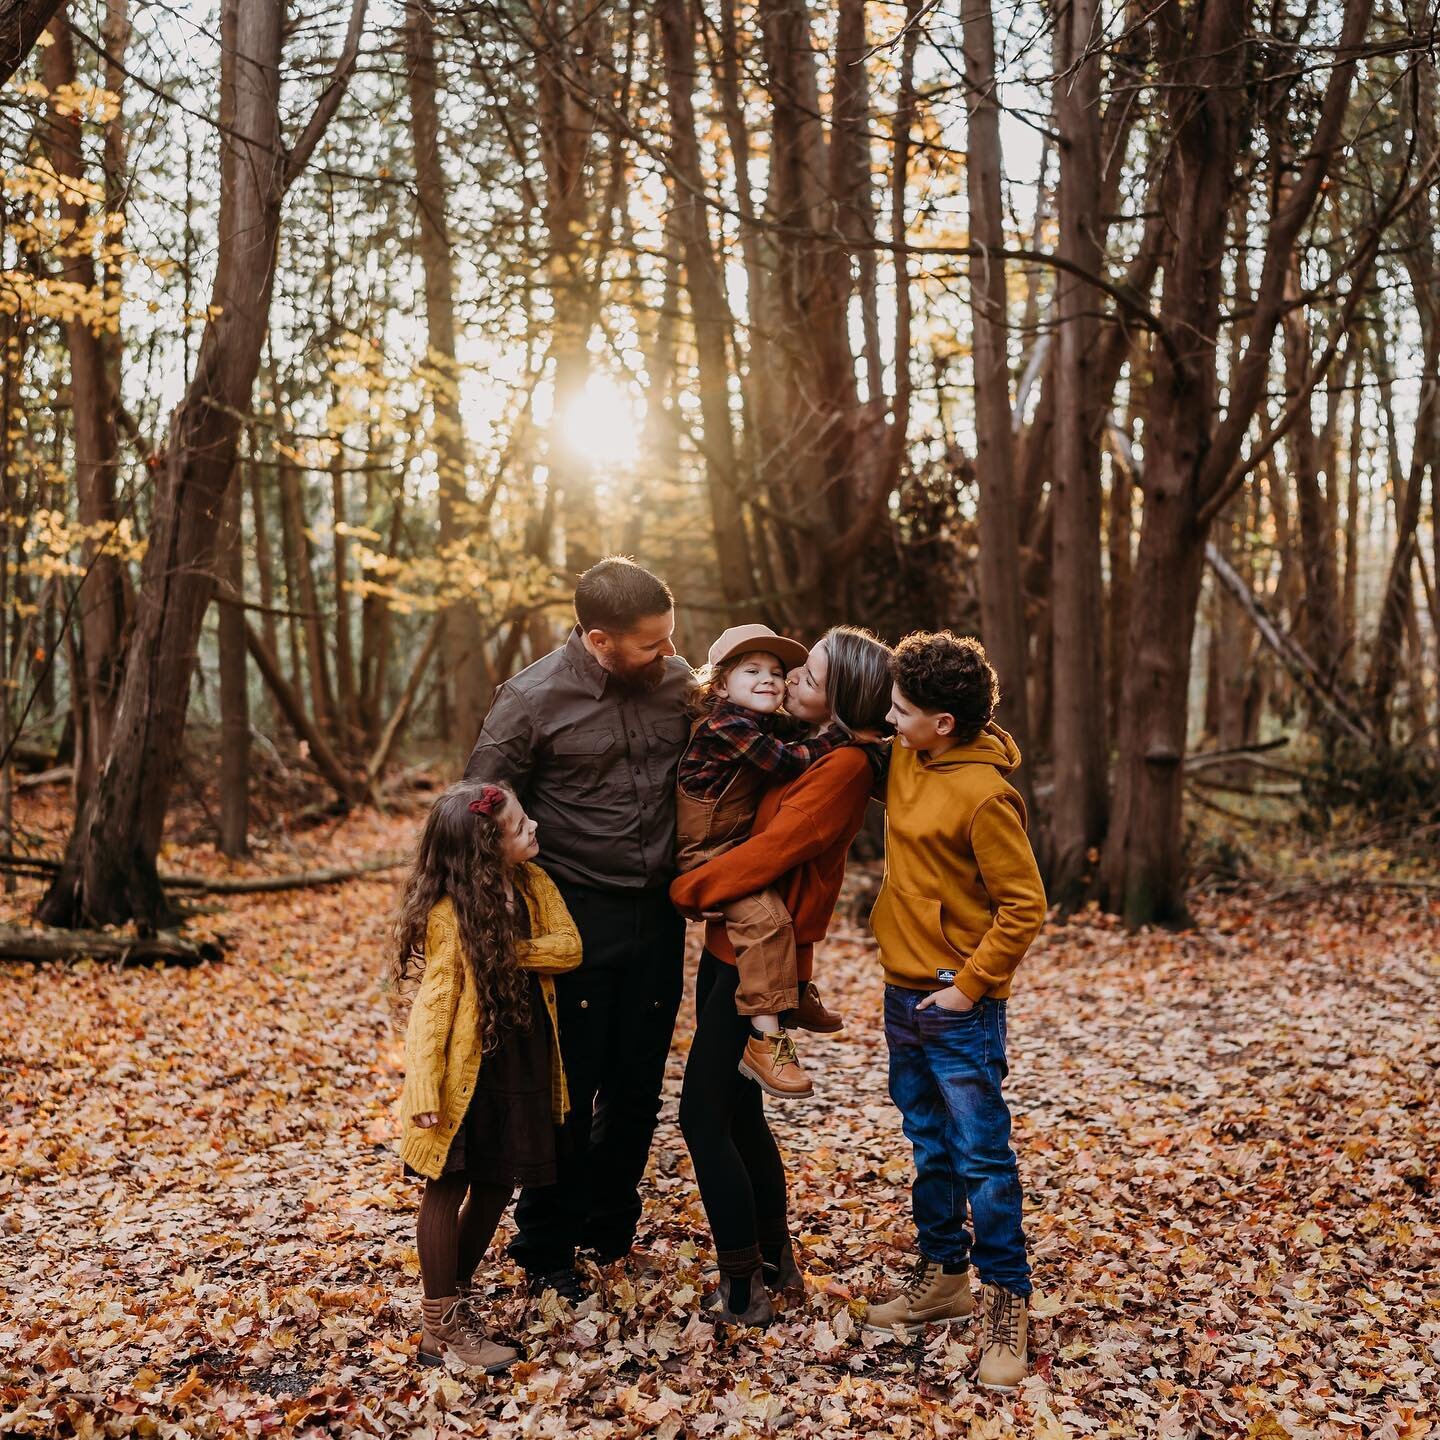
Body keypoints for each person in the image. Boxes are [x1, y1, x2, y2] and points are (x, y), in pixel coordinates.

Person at [463, 558, 691, 1301]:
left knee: (637, 1086)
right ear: (600, 640)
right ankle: (546, 1245)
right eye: (651, 643)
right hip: (569, 920)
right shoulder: (528, 701)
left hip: (659, 916)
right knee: (569, 1084)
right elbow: (474, 811)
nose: (667, 652)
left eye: (669, 636)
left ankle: (610, 1226)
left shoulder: (678, 684)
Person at [672, 626, 894, 1325]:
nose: (792, 681)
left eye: (808, 676)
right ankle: (775, 1261)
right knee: (739, 1113)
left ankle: (743, 1286)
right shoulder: (802, 752)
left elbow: (774, 852)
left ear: (842, 696)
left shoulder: (843, 767)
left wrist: (691, 889)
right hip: (734, 950)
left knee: (702, 1118)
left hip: (751, 958)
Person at [862, 631, 1046, 1390]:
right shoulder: (908, 753)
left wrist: (967, 988)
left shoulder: (986, 795)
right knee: (928, 1144)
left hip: (956, 1002)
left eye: (903, 710)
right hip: (901, 993)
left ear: (945, 722)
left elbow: (1024, 906)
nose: (890, 718)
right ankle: (944, 1280)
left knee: (982, 1159)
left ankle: (1009, 1303)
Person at [394, 779, 581, 1373]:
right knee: (447, 1186)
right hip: (460, 1071)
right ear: (484, 847)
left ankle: (453, 1302)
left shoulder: (533, 884)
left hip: (519, 1062)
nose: (534, 829)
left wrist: (504, 951)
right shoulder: (451, 916)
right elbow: (435, 1001)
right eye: (519, 826)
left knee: (500, 1182)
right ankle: (438, 1328)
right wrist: (422, 1085)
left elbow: (569, 947)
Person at [676, 623, 850, 1101]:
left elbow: (792, 738)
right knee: (766, 921)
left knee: (786, 907)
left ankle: (790, 993)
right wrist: (841, 737)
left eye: (777, 671)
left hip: (731, 843)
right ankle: (766, 1039)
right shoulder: (724, 724)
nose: (770, 679)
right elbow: (788, 761)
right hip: (706, 850)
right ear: (720, 684)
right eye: (751, 670)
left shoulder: (755, 721)